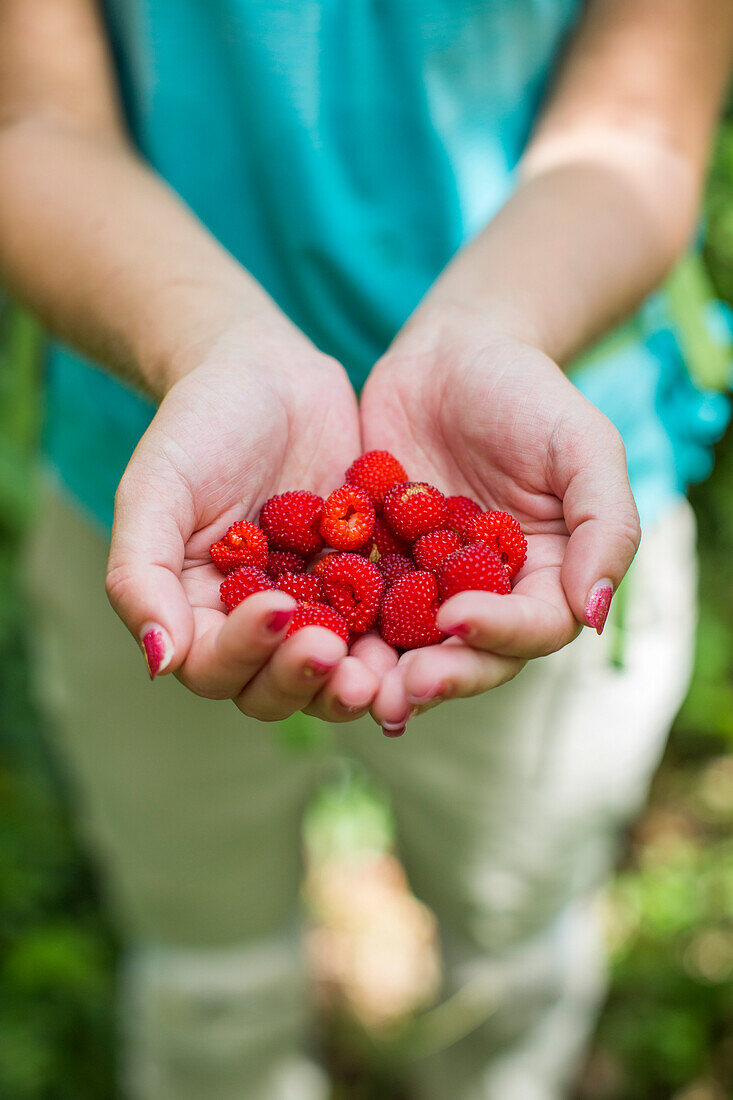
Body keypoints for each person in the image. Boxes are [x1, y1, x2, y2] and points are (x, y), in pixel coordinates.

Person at [1, 1, 732, 1096]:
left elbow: (640, 118)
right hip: (162, 474)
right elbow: (32, 124)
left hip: (531, 459)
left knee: (514, 904)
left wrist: (494, 326)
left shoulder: (454, 528)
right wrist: (210, 346)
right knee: (201, 927)